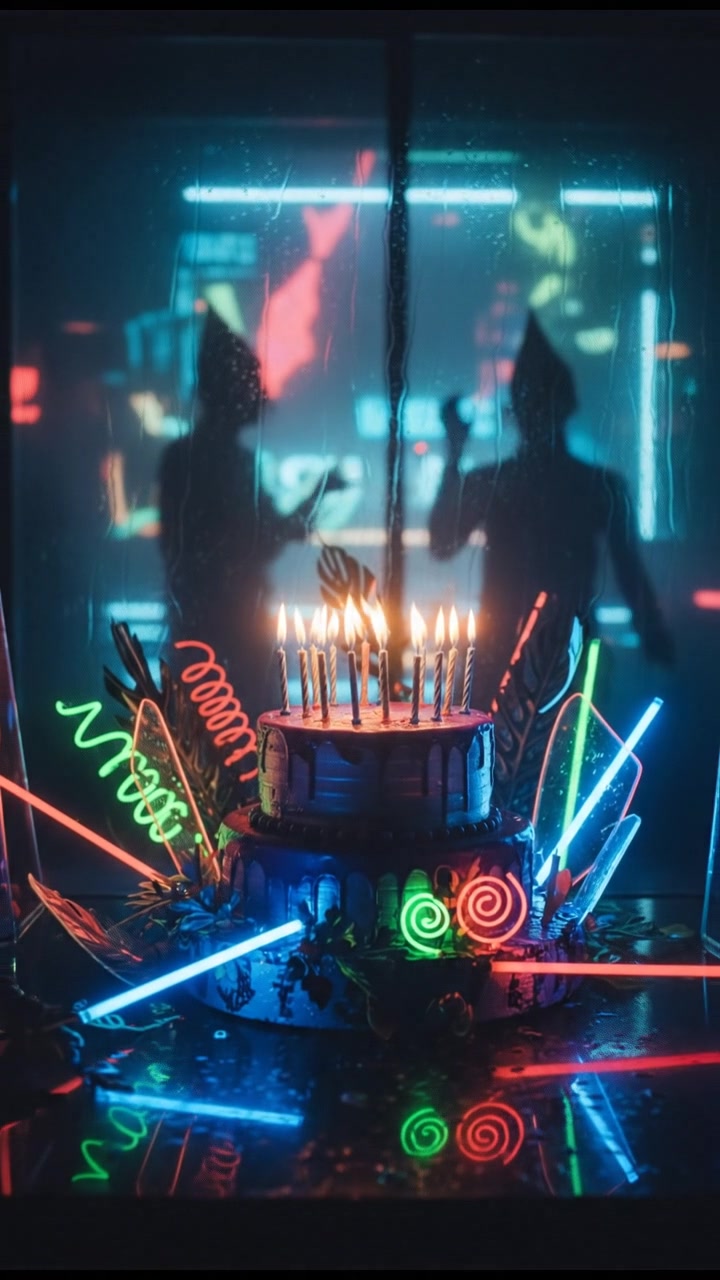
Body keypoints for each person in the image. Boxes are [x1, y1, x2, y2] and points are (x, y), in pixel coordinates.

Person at [429, 311, 675, 706]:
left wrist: (454, 450)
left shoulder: (501, 481)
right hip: (556, 652)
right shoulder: (597, 485)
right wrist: (655, 639)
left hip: (519, 652)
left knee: (495, 763)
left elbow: (442, 543)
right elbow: (630, 573)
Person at [158, 307, 345, 731]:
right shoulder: (229, 461)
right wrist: (318, 493)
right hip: (233, 624)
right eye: (249, 380)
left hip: (197, 619)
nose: (259, 393)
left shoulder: (182, 458)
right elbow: (264, 538)